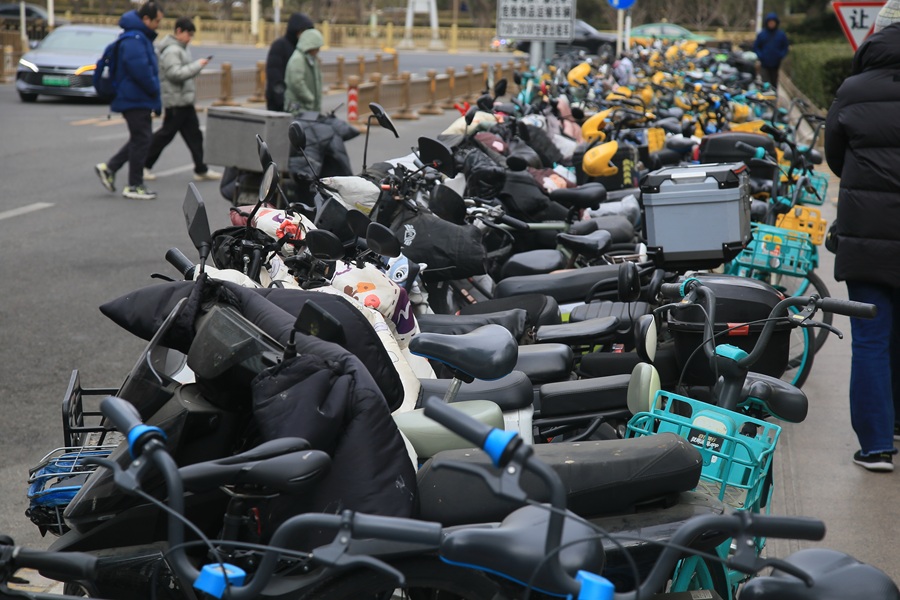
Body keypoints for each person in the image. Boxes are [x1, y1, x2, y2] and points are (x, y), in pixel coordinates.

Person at [824, 5, 900, 472]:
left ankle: (876, 446)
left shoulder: (852, 90)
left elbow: (835, 157)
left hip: (865, 232)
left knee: (871, 337)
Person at [94, 1, 164, 201]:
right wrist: (154, 92)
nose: (159, 24)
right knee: (142, 139)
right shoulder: (135, 39)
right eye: (157, 21)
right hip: (135, 98)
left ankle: (110, 168)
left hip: (135, 97)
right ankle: (134, 185)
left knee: (140, 138)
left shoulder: (137, 36)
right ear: (146, 19)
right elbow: (141, 71)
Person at [143, 17, 221, 182]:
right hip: (176, 102)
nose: (190, 38)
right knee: (165, 136)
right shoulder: (172, 50)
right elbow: (175, 74)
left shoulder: (181, 48)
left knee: (194, 136)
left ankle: (201, 168)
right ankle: (143, 165)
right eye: (188, 34)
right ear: (178, 31)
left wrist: (196, 66)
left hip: (184, 101)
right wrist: (197, 65)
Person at [265, 12, 314, 112]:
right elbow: (275, 77)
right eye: (303, 31)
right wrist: (283, 102)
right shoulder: (279, 46)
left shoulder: (303, 49)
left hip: (297, 105)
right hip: (280, 105)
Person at [284, 28, 324, 114]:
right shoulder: (298, 59)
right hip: (299, 109)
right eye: (316, 48)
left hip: (308, 109)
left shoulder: (311, 59)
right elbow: (297, 83)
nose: (318, 51)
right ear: (310, 46)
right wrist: (310, 98)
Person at [752, 12, 789, 90]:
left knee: (774, 83)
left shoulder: (781, 35)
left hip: (775, 64)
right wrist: (761, 55)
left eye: (773, 22)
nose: (771, 24)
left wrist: (780, 55)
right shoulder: (762, 34)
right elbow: (756, 47)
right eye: (770, 22)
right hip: (764, 63)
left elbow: (785, 47)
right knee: (765, 83)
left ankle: (773, 98)